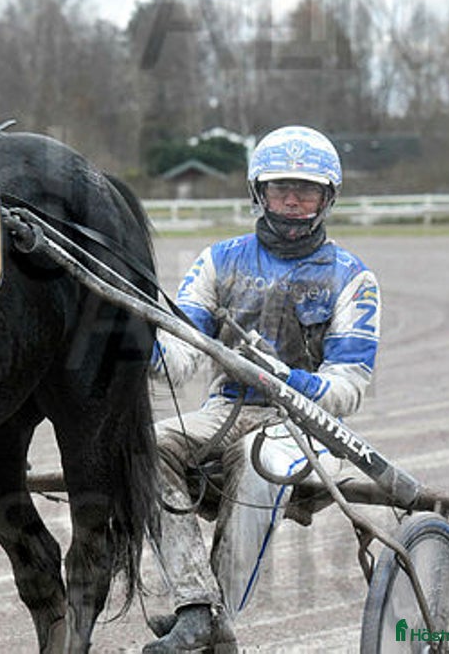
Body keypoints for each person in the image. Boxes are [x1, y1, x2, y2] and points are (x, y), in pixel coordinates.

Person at [144, 125, 382, 653]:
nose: (293, 201)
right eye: (280, 189)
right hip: (223, 409)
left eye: (306, 191)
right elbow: (183, 353)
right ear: (260, 192)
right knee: (145, 445)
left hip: (302, 425)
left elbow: (348, 388)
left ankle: (214, 619)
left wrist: (286, 377)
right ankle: (198, 607)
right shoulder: (217, 260)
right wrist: (145, 350)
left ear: (327, 198)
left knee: (257, 462)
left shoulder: (353, 279)